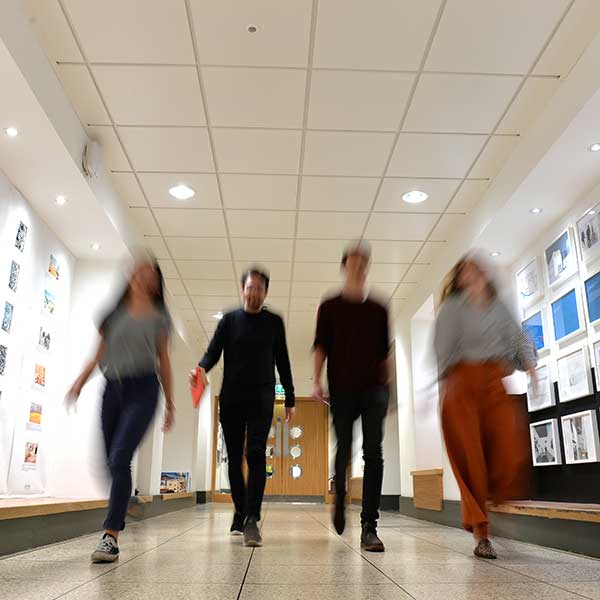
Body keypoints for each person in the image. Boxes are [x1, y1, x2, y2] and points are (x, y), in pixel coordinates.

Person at [66, 253, 174, 563]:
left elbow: (163, 360)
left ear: (156, 283)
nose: (144, 275)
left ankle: (110, 537)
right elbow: (98, 355)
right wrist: (79, 383)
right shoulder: (112, 315)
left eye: (151, 273)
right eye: (139, 270)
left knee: (120, 456)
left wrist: (171, 403)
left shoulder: (159, 317)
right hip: (112, 389)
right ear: (129, 275)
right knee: (106, 463)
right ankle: (126, 500)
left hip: (143, 389)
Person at [434, 251, 537, 559]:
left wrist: (531, 367)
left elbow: (518, 339)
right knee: (473, 461)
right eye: (466, 270)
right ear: (459, 278)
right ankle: (482, 533)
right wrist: (446, 386)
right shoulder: (452, 308)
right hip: (461, 385)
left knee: (510, 447)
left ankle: (496, 500)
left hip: (494, 383)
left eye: (477, 268)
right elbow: (443, 347)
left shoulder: (498, 307)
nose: (473, 273)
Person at [192, 267, 295, 547]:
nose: (253, 293)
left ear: (265, 292)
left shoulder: (274, 322)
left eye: (259, 288)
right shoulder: (229, 321)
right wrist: (200, 369)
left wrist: (290, 398)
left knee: (256, 454)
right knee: (234, 458)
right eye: (249, 287)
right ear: (242, 290)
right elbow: (213, 351)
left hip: (261, 398)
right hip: (232, 398)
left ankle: (251, 518)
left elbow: (283, 361)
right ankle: (239, 509)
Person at [312, 241, 390, 552]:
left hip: (373, 390)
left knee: (374, 453)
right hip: (342, 389)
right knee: (343, 449)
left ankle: (369, 526)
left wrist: (390, 389)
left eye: (363, 263)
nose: (357, 267)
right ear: (345, 266)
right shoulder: (329, 306)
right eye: (353, 262)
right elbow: (320, 346)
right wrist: (316, 380)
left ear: (366, 267)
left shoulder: (379, 309)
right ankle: (340, 499)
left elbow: (385, 355)